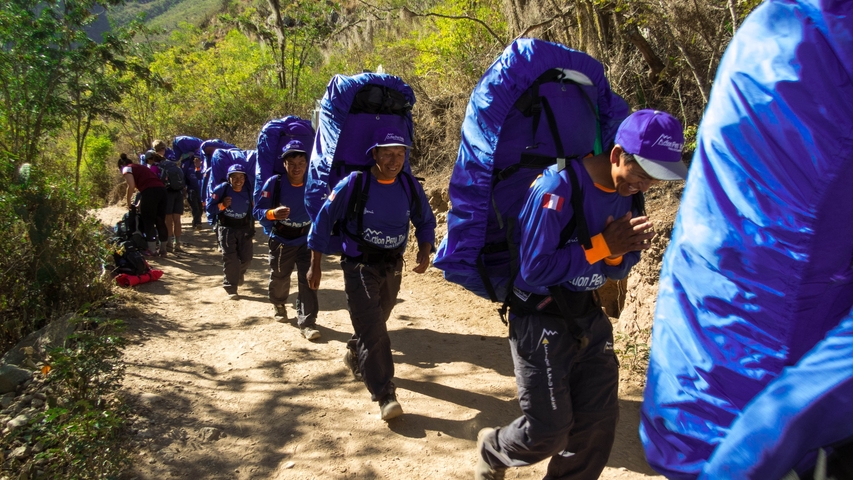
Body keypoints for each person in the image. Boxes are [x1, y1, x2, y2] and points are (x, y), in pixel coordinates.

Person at [475, 109, 686, 480]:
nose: (646, 185)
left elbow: (618, 268)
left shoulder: (629, 195)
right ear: (618, 154)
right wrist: (604, 244)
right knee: (548, 429)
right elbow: (534, 270)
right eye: (642, 173)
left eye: (656, 179)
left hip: (587, 316)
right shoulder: (556, 189)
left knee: (597, 428)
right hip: (539, 317)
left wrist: (618, 251)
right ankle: (493, 449)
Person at [307, 126, 436, 421]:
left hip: (392, 265)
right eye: (388, 153)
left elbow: (425, 220)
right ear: (374, 155)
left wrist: (425, 249)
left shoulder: (408, 185)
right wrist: (315, 264)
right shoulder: (355, 183)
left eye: (400, 153)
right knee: (376, 330)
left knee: (378, 318)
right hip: (359, 266)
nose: (394, 159)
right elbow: (322, 222)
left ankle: (355, 349)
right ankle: (385, 394)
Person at [253, 140, 320, 341]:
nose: (297, 167)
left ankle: (307, 323)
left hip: (307, 240)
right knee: (280, 276)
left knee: (308, 281)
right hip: (282, 239)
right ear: (284, 165)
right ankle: (279, 303)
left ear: (307, 164)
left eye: (301, 162)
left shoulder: (314, 183)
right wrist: (272, 213)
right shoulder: (275, 183)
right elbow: (258, 211)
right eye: (292, 162)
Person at [206, 163, 254, 299]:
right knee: (230, 258)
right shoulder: (222, 189)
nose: (239, 181)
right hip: (227, 229)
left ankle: (238, 274)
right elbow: (210, 208)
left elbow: (254, 209)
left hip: (244, 228)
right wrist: (222, 205)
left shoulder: (248, 190)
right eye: (235, 177)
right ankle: (231, 287)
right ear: (229, 178)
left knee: (247, 258)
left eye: (241, 177)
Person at [117, 153, 168, 257]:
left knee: (148, 221)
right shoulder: (140, 167)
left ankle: (152, 250)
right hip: (162, 191)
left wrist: (128, 202)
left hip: (150, 192)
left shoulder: (126, 169)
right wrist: (140, 202)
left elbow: (131, 186)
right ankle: (163, 249)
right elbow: (149, 184)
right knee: (160, 220)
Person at [184, 153, 204, 231]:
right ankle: (197, 223)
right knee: (195, 207)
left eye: (198, 158)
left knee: (200, 207)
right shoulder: (188, 166)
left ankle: (196, 221)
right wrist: (184, 187)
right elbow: (184, 177)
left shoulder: (203, 166)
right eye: (195, 158)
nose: (197, 160)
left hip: (201, 190)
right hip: (191, 189)